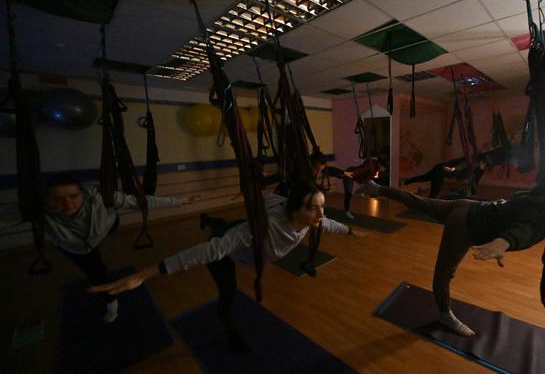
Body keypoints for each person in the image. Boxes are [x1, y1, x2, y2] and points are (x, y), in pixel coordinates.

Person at [90, 182, 367, 353]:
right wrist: (143, 275)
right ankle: (232, 334)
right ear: (295, 209)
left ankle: (210, 219)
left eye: (322, 207)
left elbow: (327, 223)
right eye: (313, 208)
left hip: (245, 234)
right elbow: (211, 251)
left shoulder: (311, 219)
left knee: (224, 227)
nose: (320, 214)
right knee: (228, 288)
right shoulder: (267, 225)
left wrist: (351, 232)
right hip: (230, 254)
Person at [355, 180, 545, 337]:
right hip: (466, 224)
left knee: (419, 203)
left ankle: (377, 188)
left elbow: (528, 214)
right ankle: (444, 316)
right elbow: (526, 228)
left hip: (469, 207)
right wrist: (504, 242)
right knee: (444, 274)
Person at [3, 174, 197, 323]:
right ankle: (111, 302)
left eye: (73, 196)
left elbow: (141, 201)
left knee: (112, 221)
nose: (68, 203)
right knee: (96, 273)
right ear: (47, 200)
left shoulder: (100, 198)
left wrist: (179, 201)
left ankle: (109, 226)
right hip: (79, 248)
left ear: (83, 193)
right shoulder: (39, 210)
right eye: (58, 199)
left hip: (106, 226)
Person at [263, 151, 385, 220]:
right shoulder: (298, 171)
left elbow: (334, 171)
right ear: (309, 165)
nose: (317, 172)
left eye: (320, 170)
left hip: (298, 196)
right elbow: (278, 178)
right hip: (283, 195)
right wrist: (262, 181)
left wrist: (345, 174)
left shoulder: (322, 170)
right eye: (315, 169)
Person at [403, 146, 506, 198]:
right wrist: (453, 169)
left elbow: (475, 182)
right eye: (485, 165)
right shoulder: (473, 163)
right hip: (442, 170)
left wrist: (473, 194)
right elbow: (462, 165)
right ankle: (426, 206)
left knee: (424, 177)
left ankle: (406, 182)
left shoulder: (479, 169)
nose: (485, 168)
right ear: (482, 162)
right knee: (433, 191)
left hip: (443, 169)